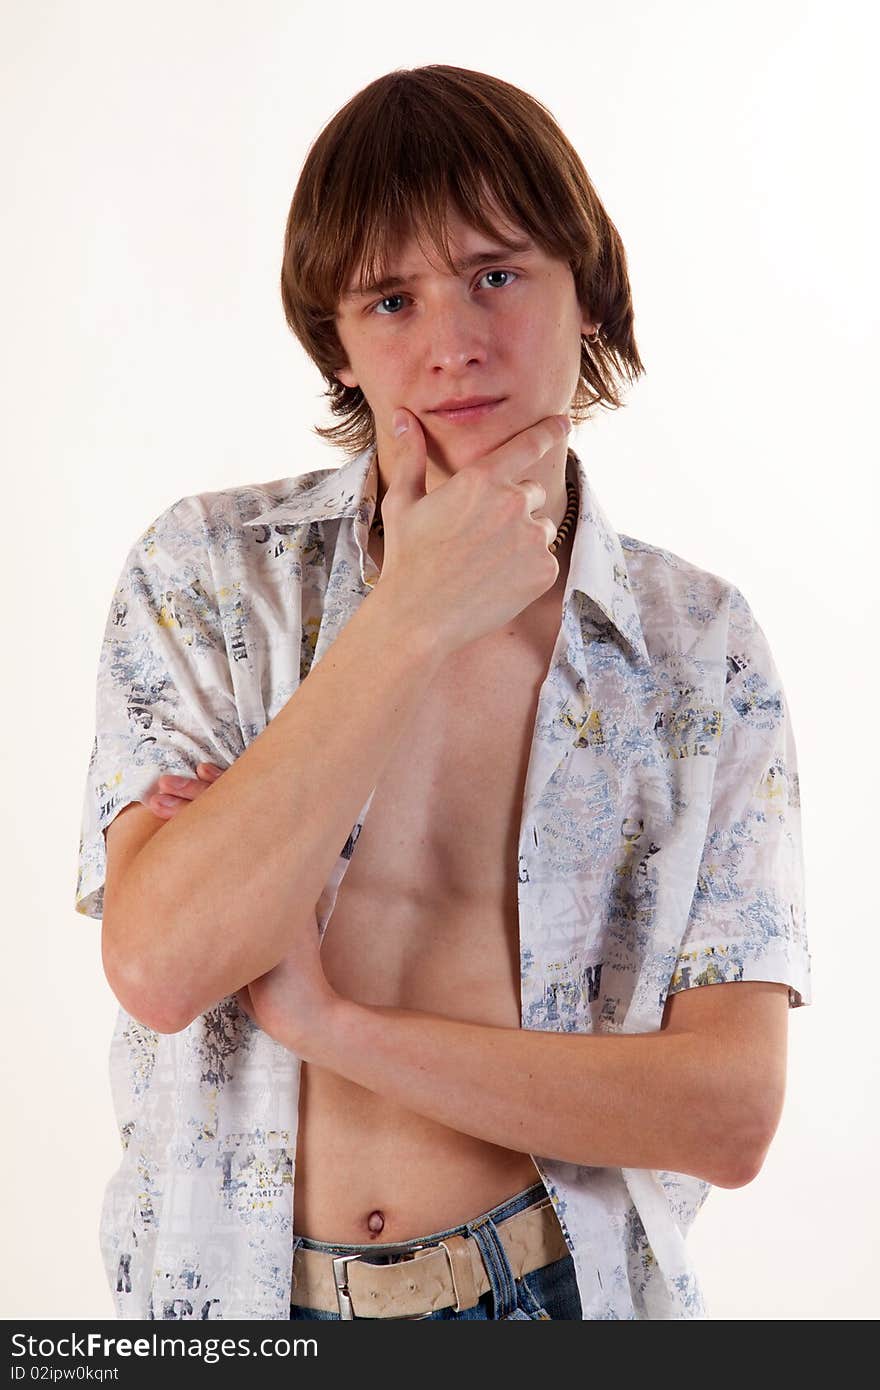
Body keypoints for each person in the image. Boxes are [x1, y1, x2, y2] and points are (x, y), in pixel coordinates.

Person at [75, 65, 812, 1321]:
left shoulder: (699, 648)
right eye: (390, 298)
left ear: (587, 292)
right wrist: (410, 616)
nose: (453, 343)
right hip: (237, 1308)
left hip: (551, 1293)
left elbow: (728, 1114)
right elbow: (159, 961)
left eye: (495, 274)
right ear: (341, 346)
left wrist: (333, 1022)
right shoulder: (207, 573)